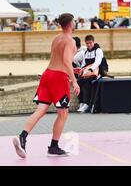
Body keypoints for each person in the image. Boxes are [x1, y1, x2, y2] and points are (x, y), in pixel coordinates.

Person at [12, 13, 80, 158]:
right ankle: (54, 147)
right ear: (71, 24)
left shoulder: (56, 38)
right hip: (58, 78)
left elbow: (60, 61)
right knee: (63, 113)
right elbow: (66, 62)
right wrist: (74, 80)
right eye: (74, 21)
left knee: (41, 110)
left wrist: (72, 71)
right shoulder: (70, 41)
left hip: (47, 74)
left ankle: (22, 137)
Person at [75, 35, 109, 113]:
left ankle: (87, 104)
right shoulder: (86, 52)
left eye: (90, 43)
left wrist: (91, 69)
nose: (89, 45)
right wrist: (82, 70)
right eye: (87, 43)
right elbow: (84, 64)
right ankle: (82, 102)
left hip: (99, 71)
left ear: (93, 42)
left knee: (87, 82)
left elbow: (98, 62)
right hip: (89, 72)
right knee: (79, 82)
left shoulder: (98, 50)